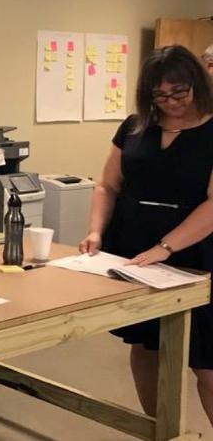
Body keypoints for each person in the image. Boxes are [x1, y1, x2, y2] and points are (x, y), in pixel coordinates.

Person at [80, 45, 213, 425]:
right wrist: (95, 231)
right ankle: (163, 429)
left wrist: (165, 247)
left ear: (197, 84)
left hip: (195, 253)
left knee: (208, 362)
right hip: (134, 254)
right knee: (147, 344)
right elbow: (107, 185)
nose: (170, 102)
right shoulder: (135, 126)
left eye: (179, 92)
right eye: (159, 95)